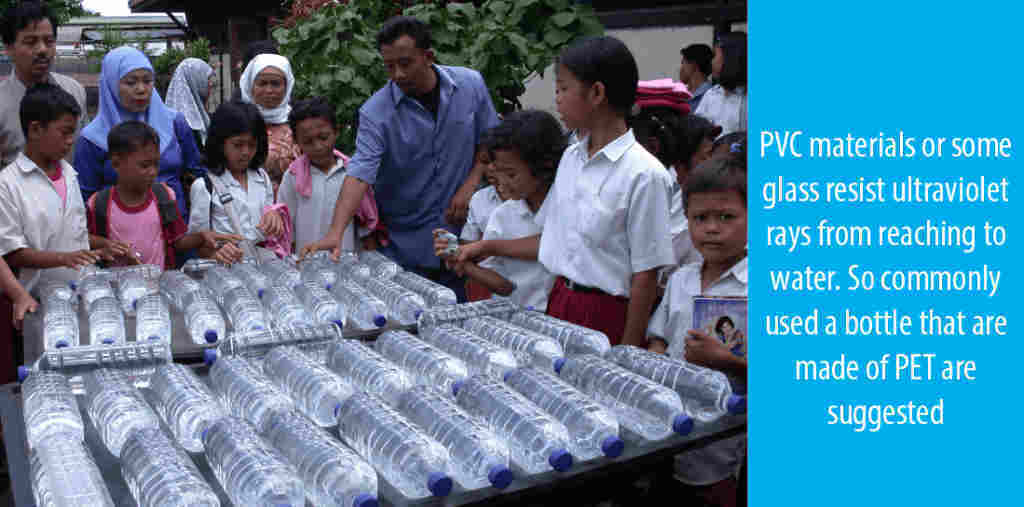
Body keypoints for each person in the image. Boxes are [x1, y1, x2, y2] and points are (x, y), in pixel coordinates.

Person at [452, 36, 675, 346]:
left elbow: (646, 275)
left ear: (596, 93)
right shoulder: (571, 158)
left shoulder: (644, 174)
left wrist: (628, 347)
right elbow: (553, 238)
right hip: (558, 302)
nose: (557, 99)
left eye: (563, 89)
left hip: (607, 312)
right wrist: (485, 247)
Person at [300, 16, 500, 301]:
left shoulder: (470, 86)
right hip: (405, 246)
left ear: (428, 57)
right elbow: (359, 174)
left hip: (463, 239)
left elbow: (490, 140)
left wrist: (470, 184)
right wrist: (335, 232)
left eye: (405, 63)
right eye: (389, 66)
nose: (397, 74)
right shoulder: (376, 113)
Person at [646, 151, 748, 507]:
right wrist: (658, 363)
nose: (712, 228)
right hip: (670, 424)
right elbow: (658, 335)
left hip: (723, 435)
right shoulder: (681, 279)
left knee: (712, 493)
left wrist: (726, 360)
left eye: (726, 217)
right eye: (700, 218)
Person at [0, 83, 123, 363]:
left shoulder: (68, 173)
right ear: (35, 130)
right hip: (40, 307)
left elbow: (73, 233)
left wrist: (102, 247)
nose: (71, 141)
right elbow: (12, 252)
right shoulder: (9, 185)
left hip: (81, 298)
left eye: (73, 133)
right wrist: (63, 258)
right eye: (65, 133)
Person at [438, 110, 564, 310]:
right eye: (500, 173)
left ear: (543, 166)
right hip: (519, 321)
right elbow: (504, 286)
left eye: (512, 174)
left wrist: (486, 246)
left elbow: (555, 245)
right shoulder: (504, 215)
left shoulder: (567, 205)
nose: (503, 183)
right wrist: (464, 264)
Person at [75, 47, 205, 222]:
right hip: (120, 237)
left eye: (147, 80)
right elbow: (85, 198)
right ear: (112, 85)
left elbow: (197, 173)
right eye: (131, 82)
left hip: (178, 231)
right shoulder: (91, 139)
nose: (141, 89)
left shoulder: (174, 123)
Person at [86, 121, 237, 269]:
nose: (153, 172)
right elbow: (84, 241)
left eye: (156, 164)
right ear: (116, 163)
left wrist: (202, 236)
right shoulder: (99, 204)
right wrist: (106, 245)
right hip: (119, 290)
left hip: (159, 286)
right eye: (144, 165)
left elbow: (178, 241)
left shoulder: (164, 196)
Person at [278, 97, 383, 253]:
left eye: (323, 137)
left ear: (336, 131)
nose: (318, 146)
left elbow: (366, 226)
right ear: (296, 141)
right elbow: (285, 228)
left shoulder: (353, 174)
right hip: (307, 264)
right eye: (308, 141)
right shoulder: (293, 176)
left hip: (347, 263)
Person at [189, 100, 288, 265]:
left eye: (252, 145)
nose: (246, 152)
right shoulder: (204, 186)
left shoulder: (261, 177)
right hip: (225, 271)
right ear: (220, 144)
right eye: (238, 145)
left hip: (262, 266)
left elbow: (269, 216)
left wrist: (274, 218)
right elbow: (198, 243)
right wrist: (216, 254)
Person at [0, 1, 86, 167]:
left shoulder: (74, 91)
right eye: (31, 42)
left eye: (49, 41)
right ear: (9, 48)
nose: (42, 49)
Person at [239, 53, 301, 194]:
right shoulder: (238, 121)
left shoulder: (298, 121)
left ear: (287, 86)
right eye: (262, 83)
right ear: (250, 85)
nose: (269, 90)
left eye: (275, 84)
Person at [695, 32, 747, 136]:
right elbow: (697, 132)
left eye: (715, 56)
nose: (711, 62)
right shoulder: (712, 94)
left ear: (731, 58)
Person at [165, 57, 215, 148]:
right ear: (196, 80)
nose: (210, 84)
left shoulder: (197, 116)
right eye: (207, 79)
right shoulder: (188, 126)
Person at [679, 43, 714, 111]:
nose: (681, 69)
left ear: (693, 65)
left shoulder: (711, 95)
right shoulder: (681, 93)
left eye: (683, 63)